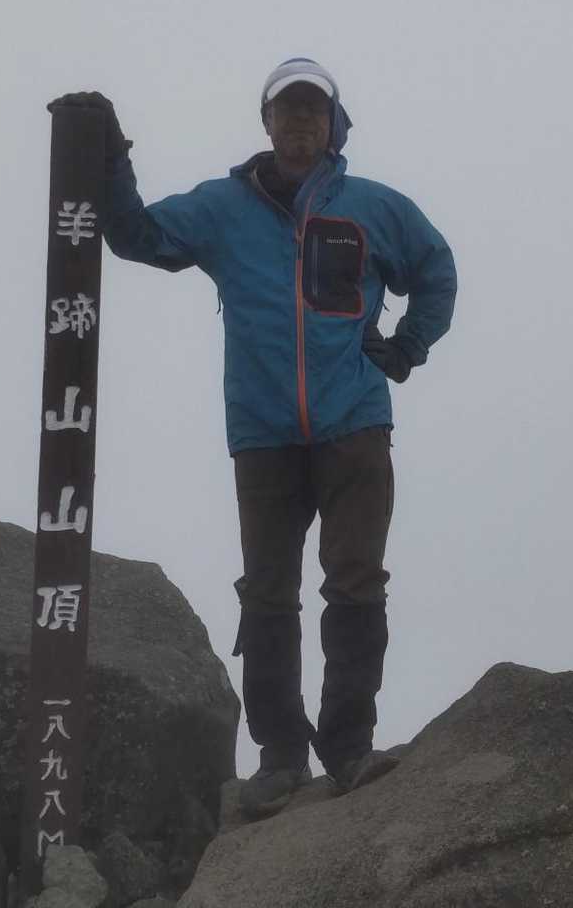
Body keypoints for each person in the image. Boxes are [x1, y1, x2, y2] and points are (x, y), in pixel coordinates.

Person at [47, 58, 456, 817]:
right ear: (266, 122)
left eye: (313, 111)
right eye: (286, 110)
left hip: (355, 425)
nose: (299, 123)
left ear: (334, 125)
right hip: (263, 433)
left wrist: (407, 346)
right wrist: (111, 155)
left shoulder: (375, 207)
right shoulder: (224, 208)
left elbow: (436, 268)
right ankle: (279, 758)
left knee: (355, 581)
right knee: (268, 593)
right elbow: (137, 235)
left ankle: (350, 747)